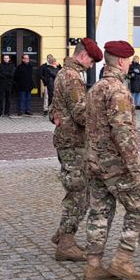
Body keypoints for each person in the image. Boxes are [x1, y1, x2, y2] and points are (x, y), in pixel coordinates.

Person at [84, 41, 140, 280]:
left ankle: (93, 267)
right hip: (115, 164)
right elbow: (122, 133)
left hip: (95, 161)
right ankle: (123, 259)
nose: (131, 64)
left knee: (99, 212)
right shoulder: (118, 90)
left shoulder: (95, 88)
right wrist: (135, 166)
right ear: (122, 62)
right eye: (130, 60)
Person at [49, 38, 102, 263]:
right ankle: (66, 242)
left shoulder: (64, 73)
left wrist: (56, 117)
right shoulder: (72, 77)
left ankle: (63, 234)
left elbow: (54, 108)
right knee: (79, 193)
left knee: (77, 190)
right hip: (73, 143)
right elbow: (81, 114)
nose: (92, 66)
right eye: (91, 61)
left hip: (69, 140)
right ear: (83, 56)